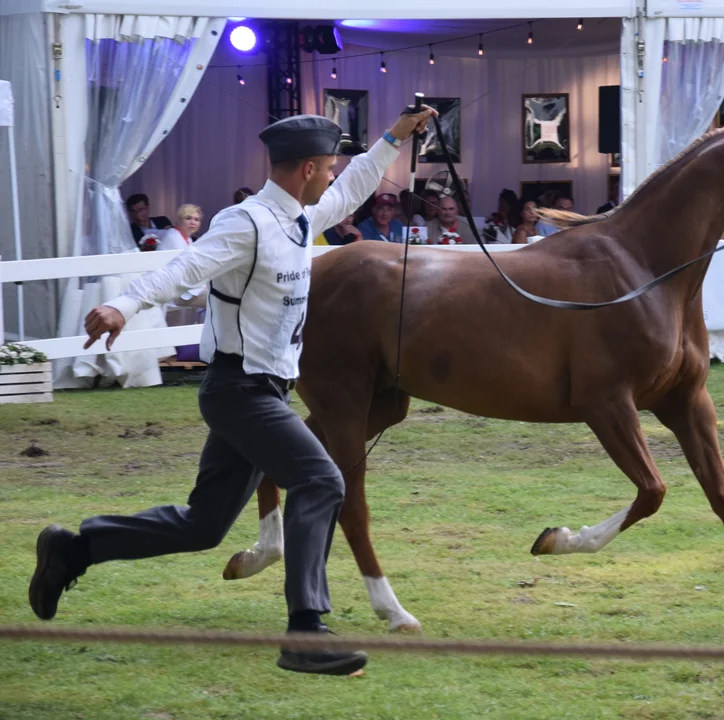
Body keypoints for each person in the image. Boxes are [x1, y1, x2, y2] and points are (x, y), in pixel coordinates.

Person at [28, 107, 437, 676]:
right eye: (330, 165)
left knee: (204, 525)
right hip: (239, 390)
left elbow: (355, 186)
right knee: (321, 480)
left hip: (262, 391)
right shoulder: (245, 223)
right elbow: (185, 267)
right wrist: (123, 305)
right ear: (309, 167)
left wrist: (396, 136)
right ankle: (306, 633)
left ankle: (74, 549)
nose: (334, 173)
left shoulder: (298, 214)